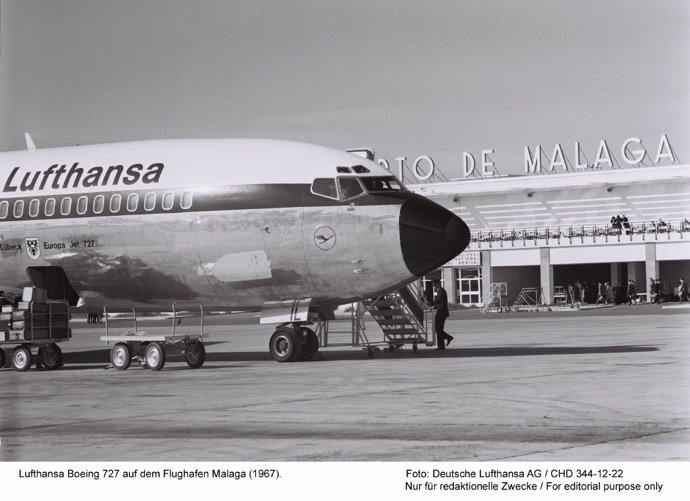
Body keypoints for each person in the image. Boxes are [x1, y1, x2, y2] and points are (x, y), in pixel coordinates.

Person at [433, 282, 453, 350]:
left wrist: (433, 303)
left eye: (435, 284)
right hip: (442, 312)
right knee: (439, 329)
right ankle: (441, 346)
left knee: (438, 329)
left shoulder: (441, 291)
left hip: (441, 312)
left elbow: (438, 300)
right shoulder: (441, 291)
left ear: (438, 284)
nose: (434, 286)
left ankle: (448, 337)